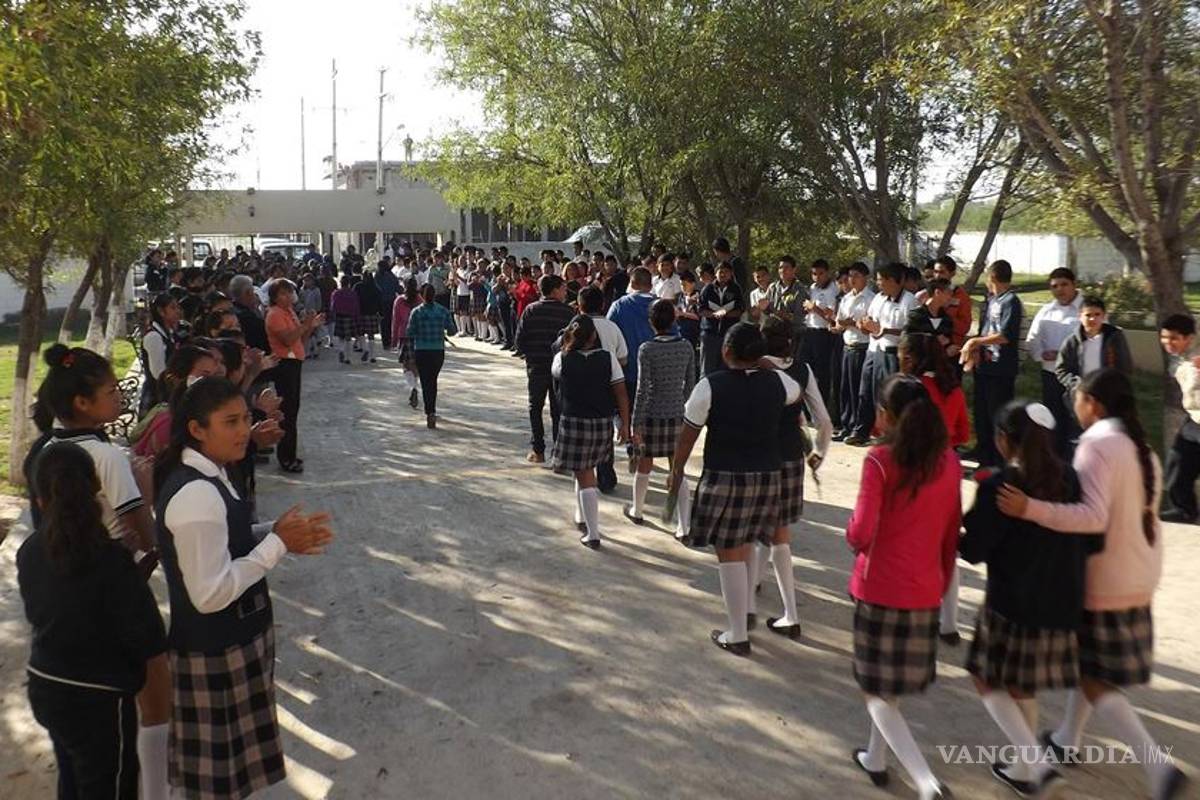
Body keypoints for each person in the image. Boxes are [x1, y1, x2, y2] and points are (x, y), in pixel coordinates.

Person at [997, 369, 1188, 800]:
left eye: (1078, 397)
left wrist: (1031, 508)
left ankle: (1158, 767)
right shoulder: (1142, 449)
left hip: (1106, 576)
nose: (1074, 404)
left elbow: (1092, 516)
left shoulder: (1097, 444)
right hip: (1139, 573)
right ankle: (1067, 739)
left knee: (1093, 677)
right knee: (1092, 667)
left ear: (1095, 404)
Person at [153, 377, 334, 800]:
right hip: (214, 650)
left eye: (246, 419)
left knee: (231, 777)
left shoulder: (211, 471)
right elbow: (209, 593)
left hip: (234, 643)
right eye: (230, 422)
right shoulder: (196, 494)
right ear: (197, 429)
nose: (243, 431)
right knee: (216, 783)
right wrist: (277, 545)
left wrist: (275, 531)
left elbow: (227, 539)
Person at [959, 401, 1101, 798]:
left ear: (1004, 439)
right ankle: (1023, 769)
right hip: (1061, 604)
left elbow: (974, 551)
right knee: (1022, 687)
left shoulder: (999, 485)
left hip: (1012, 606)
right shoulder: (1071, 478)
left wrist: (958, 526)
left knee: (985, 679)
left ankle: (1034, 762)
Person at [18, 443, 170, 800]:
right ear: (97, 493)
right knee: (110, 787)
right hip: (100, 701)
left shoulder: (29, 552)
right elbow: (146, 641)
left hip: (46, 686)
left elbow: (63, 608)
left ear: (40, 500)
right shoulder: (111, 560)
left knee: (72, 772)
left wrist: (129, 569)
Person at [845, 374, 960, 800]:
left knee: (874, 688)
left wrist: (851, 533)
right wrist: (942, 583)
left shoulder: (879, 460)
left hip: (881, 587)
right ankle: (875, 758)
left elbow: (861, 531)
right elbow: (951, 534)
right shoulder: (947, 462)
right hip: (925, 587)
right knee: (890, 687)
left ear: (887, 415)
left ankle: (926, 781)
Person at [668, 323, 802, 656]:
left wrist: (676, 470)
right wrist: (766, 366)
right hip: (767, 475)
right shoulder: (779, 383)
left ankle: (737, 633)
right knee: (743, 547)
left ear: (726, 351)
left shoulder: (709, 386)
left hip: (724, 476)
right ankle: (741, 621)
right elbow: (795, 391)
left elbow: (689, 434)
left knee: (728, 551)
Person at [755, 316, 832, 638]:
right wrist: (818, 453)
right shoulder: (802, 370)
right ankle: (757, 582)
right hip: (790, 455)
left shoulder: (755, 366)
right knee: (775, 526)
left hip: (757, 455)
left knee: (771, 531)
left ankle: (790, 613)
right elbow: (824, 421)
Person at [552, 315, 631, 548]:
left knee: (585, 474)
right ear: (594, 336)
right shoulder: (608, 359)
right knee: (584, 471)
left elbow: (558, 382)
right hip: (601, 421)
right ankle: (581, 514)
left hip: (574, 421)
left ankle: (593, 533)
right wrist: (625, 423)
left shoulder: (561, 359)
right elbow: (621, 392)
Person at [626, 299, 695, 535]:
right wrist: (679, 401)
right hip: (677, 414)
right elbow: (691, 383)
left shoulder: (647, 349)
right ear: (674, 319)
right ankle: (684, 526)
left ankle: (637, 510)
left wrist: (635, 422)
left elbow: (642, 389)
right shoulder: (686, 346)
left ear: (650, 323)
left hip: (652, 415)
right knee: (677, 470)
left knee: (644, 464)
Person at [962, 259, 1023, 468]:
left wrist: (976, 341)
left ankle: (999, 462)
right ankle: (984, 457)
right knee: (982, 416)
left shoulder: (1011, 302)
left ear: (993, 278)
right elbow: (985, 329)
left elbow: (1005, 335)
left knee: (998, 417)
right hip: (984, 367)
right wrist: (976, 349)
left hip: (1001, 370)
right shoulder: (990, 301)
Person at [846, 262, 915, 446]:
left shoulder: (909, 301)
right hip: (873, 350)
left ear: (893, 281)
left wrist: (884, 330)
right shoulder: (878, 298)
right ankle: (861, 431)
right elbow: (870, 320)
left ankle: (891, 435)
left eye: (880, 281)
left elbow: (910, 331)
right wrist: (864, 325)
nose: (878, 284)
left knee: (889, 396)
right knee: (866, 392)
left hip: (892, 353)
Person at [265, 279, 324, 473]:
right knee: (287, 412)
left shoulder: (289, 312)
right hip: (284, 364)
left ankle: (290, 453)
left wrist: (310, 326)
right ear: (274, 297)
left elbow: (300, 339)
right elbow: (288, 339)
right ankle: (285, 457)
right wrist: (305, 324)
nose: (288, 297)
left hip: (295, 362)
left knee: (293, 410)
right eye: (282, 294)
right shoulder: (274, 315)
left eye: (289, 293)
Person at [515, 275, 576, 462]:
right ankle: (558, 451)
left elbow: (519, 342)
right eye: (563, 288)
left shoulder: (530, 310)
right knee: (558, 410)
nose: (566, 292)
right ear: (555, 290)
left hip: (536, 367)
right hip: (560, 369)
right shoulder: (568, 313)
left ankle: (538, 450)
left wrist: (531, 354)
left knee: (535, 408)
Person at [1025, 268, 1083, 452]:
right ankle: (1056, 466)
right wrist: (1041, 353)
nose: (1059, 290)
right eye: (1054, 286)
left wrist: (1063, 354)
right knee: (1053, 422)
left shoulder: (1088, 310)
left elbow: (1097, 341)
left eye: (1064, 284)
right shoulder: (1046, 311)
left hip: (1079, 376)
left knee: (1078, 423)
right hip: (1051, 375)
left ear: (1074, 284)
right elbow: (1033, 340)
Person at [1054, 296, 1133, 419]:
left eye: (1097, 314)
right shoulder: (1072, 341)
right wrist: (1076, 384)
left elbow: (1125, 366)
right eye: (1088, 315)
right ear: (1080, 316)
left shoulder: (1114, 338)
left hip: (1109, 395)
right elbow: (1061, 369)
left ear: (1104, 316)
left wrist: (1116, 387)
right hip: (1082, 396)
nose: (1092, 319)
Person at [1159, 313, 1200, 523]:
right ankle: (1184, 511)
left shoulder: (1197, 359)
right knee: (1178, 464)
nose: (1168, 343)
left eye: (1174, 338)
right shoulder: (1179, 358)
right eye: (1165, 337)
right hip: (1194, 420)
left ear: (1189, 338)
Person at [407, 283, 459, 428]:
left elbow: (409, 332)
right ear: (434, 295)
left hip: (422, 350)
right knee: (433, 380)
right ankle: (432, 410)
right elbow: (452, 331)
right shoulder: (442, 311)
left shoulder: (416, 312)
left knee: (425, 381)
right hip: (437, 351)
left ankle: (429, 411)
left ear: (421, 296)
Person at [833, 262, 874, 440]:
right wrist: (851, 323)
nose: (852, 279)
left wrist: (851, 323)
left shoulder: (871, 298)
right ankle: (846, 425)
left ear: (866, 277)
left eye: (856, 275)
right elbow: (839, 323)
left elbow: (867, 327)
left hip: (862, 347)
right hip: (847, 346)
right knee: (845, 389)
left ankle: (859, 427)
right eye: (850, 276)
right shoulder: (846, 298)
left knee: (858, 389)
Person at [800, 258, 840, 406]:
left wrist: (814, 308)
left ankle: (822, 407)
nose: (817, 277)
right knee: (806, 369)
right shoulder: (812, 288)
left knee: (822, 373)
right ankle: (807, 407)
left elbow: (832, 316)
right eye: (814, 274)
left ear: (827, 273)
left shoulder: (833, 289)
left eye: (820, 273)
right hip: (809, 331)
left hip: (824, 334)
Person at [698, 261, 745, 376]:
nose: (723, 274)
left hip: (728, 334)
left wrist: (725, 313)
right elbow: (701, 310)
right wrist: (714, 314)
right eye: (720, 272)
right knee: (707, 369)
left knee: (727, 369)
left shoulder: (735, 289)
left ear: (731, 273)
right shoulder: (708, 289)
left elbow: (740, 310)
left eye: (726, 272)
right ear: (716, 273)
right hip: (710, 334)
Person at [139, 293, 182, 414]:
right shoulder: (154, 337)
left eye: (178, 307)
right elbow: (159, 373)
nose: (178, 311)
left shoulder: (169, 334)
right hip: (157, 397)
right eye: (173, 308)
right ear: (161, 311)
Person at [392, 279, 421, 409]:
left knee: (405, 365)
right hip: (418, 336)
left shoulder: (399, 301)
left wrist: (393, 338)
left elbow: (395, 320)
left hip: (404, 335)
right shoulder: (420, 300)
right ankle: (415, 386)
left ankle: (413, 387)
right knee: (416, 365)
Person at [330, 274, 361, 365]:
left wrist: (333, 316)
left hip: (340, 317)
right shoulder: (352, 293)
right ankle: (348, 358)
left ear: (341, 283)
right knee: (348, 339)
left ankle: (341, 350)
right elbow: (356, 306)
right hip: (350, 317)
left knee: (341, 338)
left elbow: (333, 306)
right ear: (349, 283)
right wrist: (357, 318)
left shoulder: (336, 293)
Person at [354, 268, 384, 363]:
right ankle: (372, 356)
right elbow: (380, 302)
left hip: (361, 313)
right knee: (371, 335)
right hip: (372, 314)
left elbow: (353, 299)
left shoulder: (358, 287)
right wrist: (381, 313)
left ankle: (365, 349)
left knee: (361, 333)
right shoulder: (376, 288)